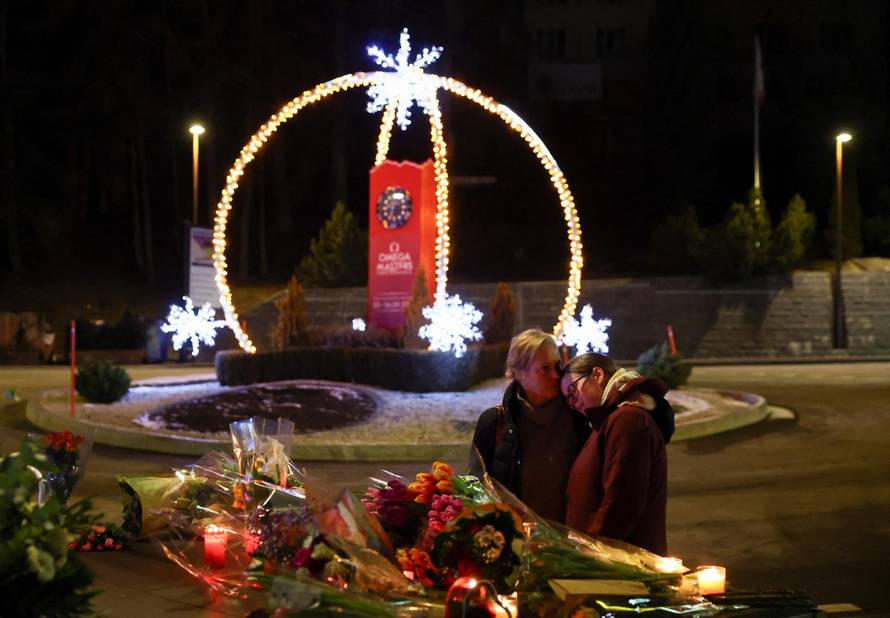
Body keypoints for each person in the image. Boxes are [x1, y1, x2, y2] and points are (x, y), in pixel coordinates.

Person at [468, 328, 590, 522]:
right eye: (544, 368)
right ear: (518, 373)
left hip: (571, 543)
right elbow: (475, 488)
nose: (557, 375)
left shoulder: (579, 418)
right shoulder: (494, 422)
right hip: (516, 541)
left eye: (557, 365)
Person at [560, 353, 675, 555]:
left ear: (597, 375)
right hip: (614, 558)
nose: (571, 402)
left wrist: (592, 551)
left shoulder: (626, 419)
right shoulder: (608, 418)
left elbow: (622, 501)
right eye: (567, 398)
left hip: (622, 563)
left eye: (572, 390)